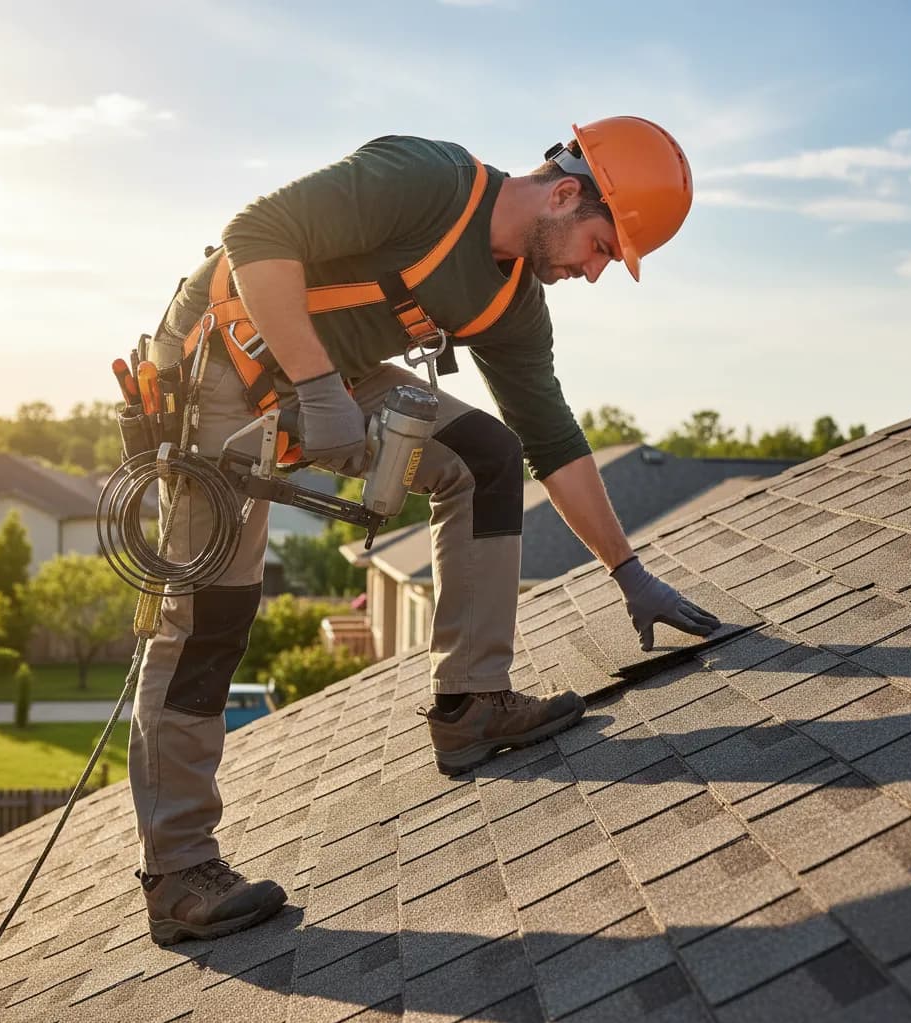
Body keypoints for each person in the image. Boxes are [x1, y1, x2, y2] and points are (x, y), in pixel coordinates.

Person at [131, 116, 722, 945]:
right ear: (563, 193)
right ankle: (179, 871)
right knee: (210, 619)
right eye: (599, 247)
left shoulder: (514, 301)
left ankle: (472, 701)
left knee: (487, 456)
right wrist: (316, 383)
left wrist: (628, 570)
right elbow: (254, 234)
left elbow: (553, 441)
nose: (593, 273)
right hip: (223, 358)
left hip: (322, 373)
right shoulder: (428, 180)